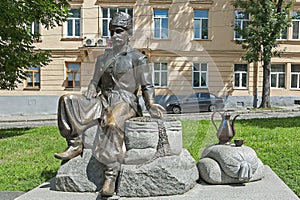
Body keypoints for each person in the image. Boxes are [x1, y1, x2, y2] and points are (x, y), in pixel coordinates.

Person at [54, 12, 164, 197]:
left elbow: (147, 85)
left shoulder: (138, 58)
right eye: (112, 31)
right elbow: (94, 82)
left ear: (129, 32)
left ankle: (110, 176)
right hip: (103, 99)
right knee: (67, 100)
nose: (114, 36)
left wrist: (151, 103)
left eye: (119, 31)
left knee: (111, 123)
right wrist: (90, 88)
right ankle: (74, 143)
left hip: (126, 101)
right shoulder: (102, 58)